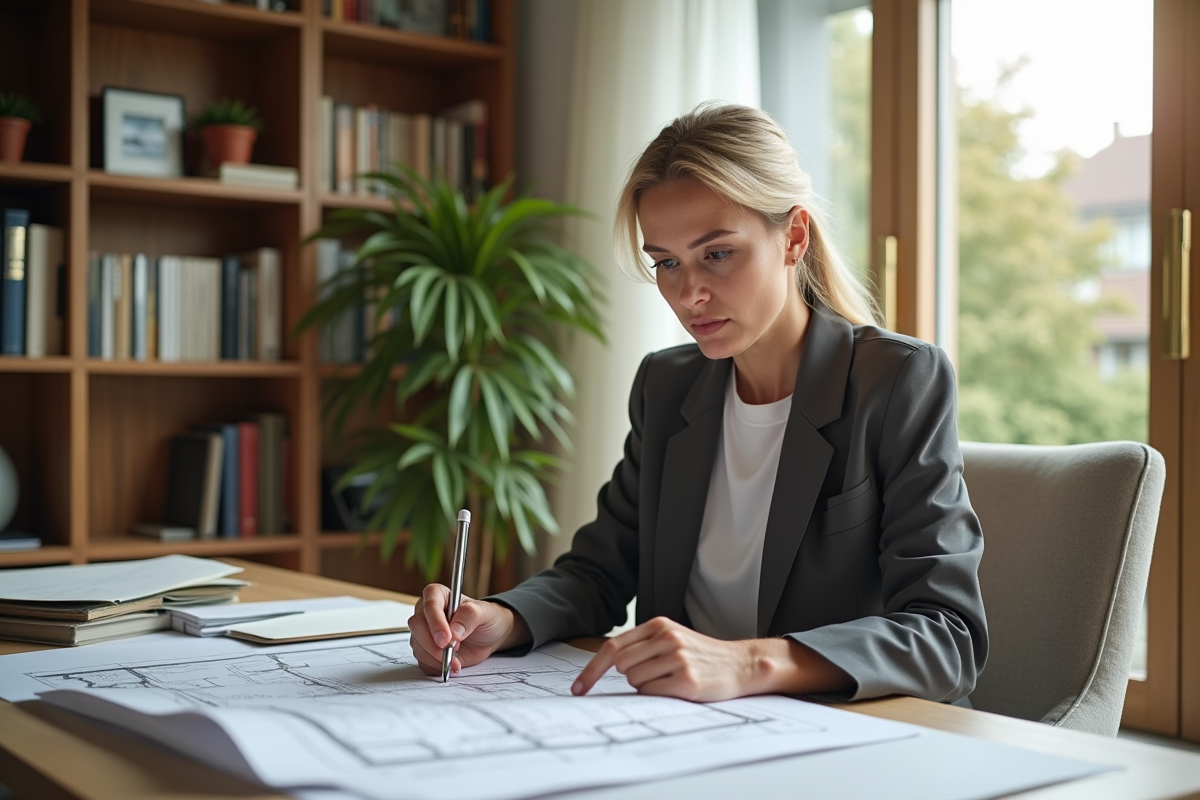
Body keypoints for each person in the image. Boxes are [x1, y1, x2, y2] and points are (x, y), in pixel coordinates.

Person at [408, 103, 988, 704]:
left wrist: (746, 663)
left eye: (717, 253)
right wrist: (501, 619)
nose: (689, 295)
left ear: (793, 237)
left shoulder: (894, 381)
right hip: (686, 731)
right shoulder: (668, 385)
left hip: (846, 736)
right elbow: (601, 572)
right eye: (665, 262)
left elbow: (948, 636)